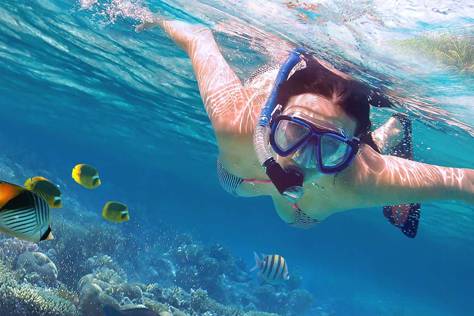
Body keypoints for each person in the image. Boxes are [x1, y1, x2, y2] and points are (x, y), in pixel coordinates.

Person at [136, 17, 474, 238]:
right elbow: (198, 38)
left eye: (328, 147)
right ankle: (388, 130)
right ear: (274, 117)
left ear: (352, 148)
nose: (302, 160)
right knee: (243, 188)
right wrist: (160, 18)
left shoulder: (359, 178)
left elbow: (466, 185)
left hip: (305, 205)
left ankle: (391, 130)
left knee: (297, 217)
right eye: (294, 132)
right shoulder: (235, 121)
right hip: (244, 177)